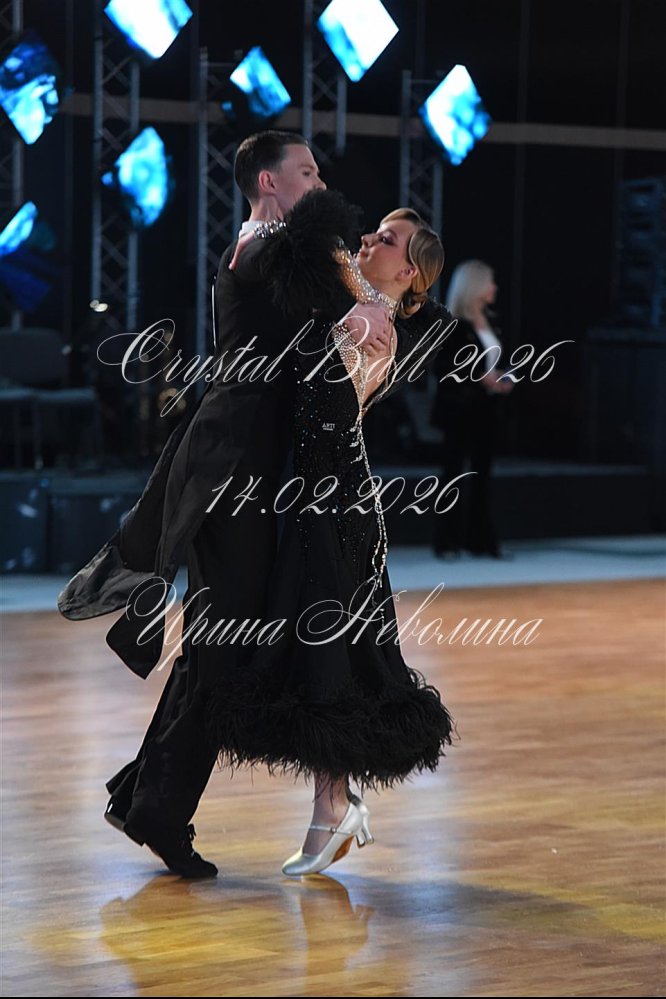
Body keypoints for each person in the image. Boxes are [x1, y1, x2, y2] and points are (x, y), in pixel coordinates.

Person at [57, 131, 392, 879]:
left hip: (244, 473)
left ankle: (150, 803)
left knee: (223, 641)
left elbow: (314, 329)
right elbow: (310, 321)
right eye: (305, 171)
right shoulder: (261, 247)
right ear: (269, 183)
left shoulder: (277, 250)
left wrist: (359, 305)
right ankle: (156, 806)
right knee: (226, 643)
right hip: (232, 475)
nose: (319, 181)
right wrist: (354, 312)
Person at [200, 195, 458, 877]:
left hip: (337, 506)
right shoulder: (357, 302)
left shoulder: (376, 324)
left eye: (389, 240)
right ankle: (338, 803)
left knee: (324, 653)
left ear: (410, 273)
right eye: (375, 231)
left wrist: (346, 282)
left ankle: (334, 806)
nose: (370, 239)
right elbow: (320, 254)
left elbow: (318, 252)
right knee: (320, 652)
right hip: (320, 498)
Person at [430, 259, 514, 559]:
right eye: (489, 282)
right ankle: (447, 540)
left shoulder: (492, 322)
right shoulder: (453, 325)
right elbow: (444, 367)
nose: (494, 287)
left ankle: (479, 539)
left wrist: (503, 378)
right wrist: (479, 377)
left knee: (482, 475)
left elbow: (497, 361)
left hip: (486, 410)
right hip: (460, 409)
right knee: (453, 474)